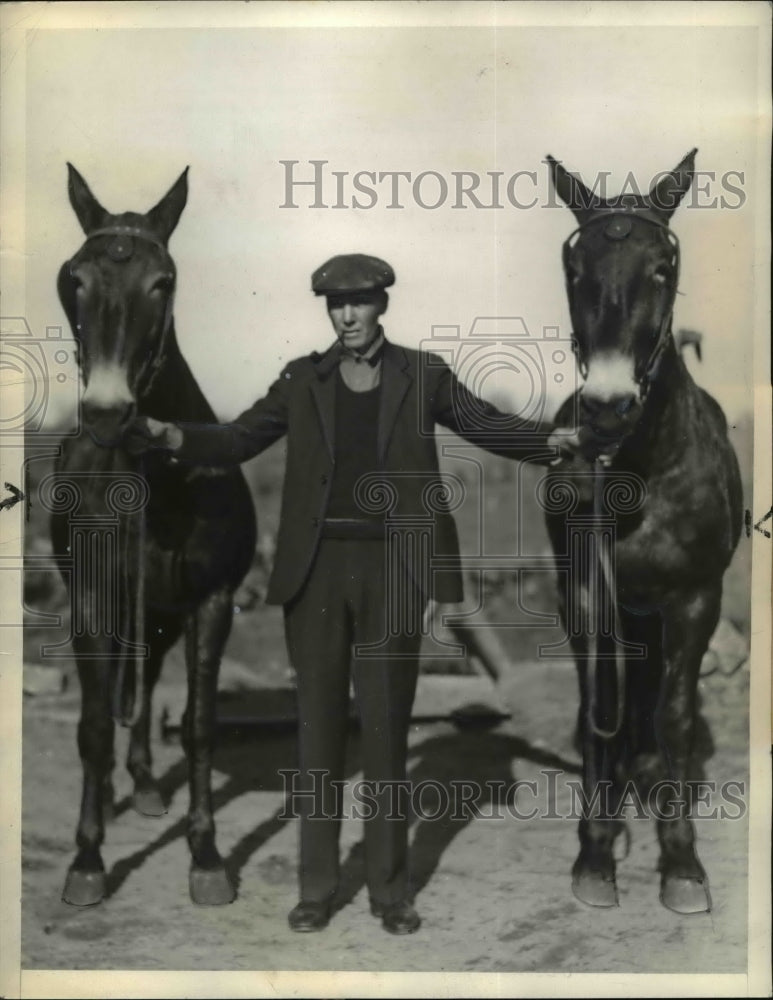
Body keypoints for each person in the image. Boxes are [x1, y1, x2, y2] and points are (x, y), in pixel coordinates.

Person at [130, 253, 589, 934]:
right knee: (317, 737)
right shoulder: (300, 380)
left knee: (385, 736)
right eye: (334, 305)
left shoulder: (422, 375)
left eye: (358, 303)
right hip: (313, 576)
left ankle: (389, 894)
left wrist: (555, 440)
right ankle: (316, 888)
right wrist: (172, 435)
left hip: (393, 574)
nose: (345, 316)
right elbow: (236, 439)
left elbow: (485, 425)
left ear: (381, 305)